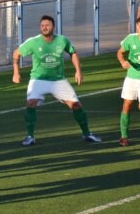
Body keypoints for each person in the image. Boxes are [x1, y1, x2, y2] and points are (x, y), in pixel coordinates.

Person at [12, 15, 102, 146]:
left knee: (76, 105)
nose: (44, 27)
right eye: (42, 25)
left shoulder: (62, 40)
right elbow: (16, 53)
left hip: (58, 80)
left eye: (47, 25)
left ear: (53, 26)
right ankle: (30, 136)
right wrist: (16, 72)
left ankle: (87, 134)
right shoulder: (33, 42)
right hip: (38, 79)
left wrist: (78, 71)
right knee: (31, 103)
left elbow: (73, 53)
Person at [116, 17, 140, 146]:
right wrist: (122, 61)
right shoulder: (131, 38)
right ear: (136, 27)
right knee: (127, 104)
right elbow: (120, 52)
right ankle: (124, 136)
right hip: (131, 78)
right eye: (139, 26)